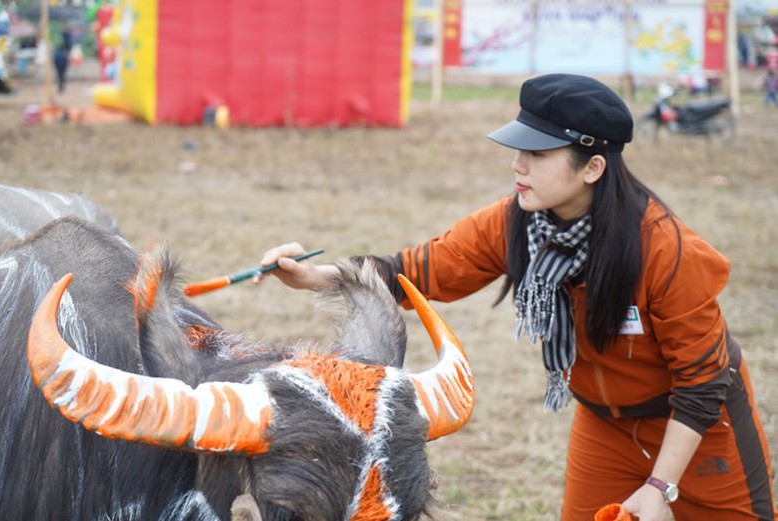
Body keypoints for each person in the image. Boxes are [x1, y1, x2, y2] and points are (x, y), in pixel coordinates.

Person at [254, 74, 777, 521]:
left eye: (538, 154)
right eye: (518, 150)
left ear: (592, 168)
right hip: (604, 424)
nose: (517, 166)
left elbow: (703, 382)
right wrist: (314, 276)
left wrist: (661, 488)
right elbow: (417, 270)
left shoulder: (667, 250)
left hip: (699, 424)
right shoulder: (517, 223)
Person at [53, 25, 74, 94]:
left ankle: (60, 87)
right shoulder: (67, 37)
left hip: (58, 59)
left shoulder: (59, 37)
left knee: (59, 74)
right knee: (62, 75)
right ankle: (61, 87)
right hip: (63, 59)